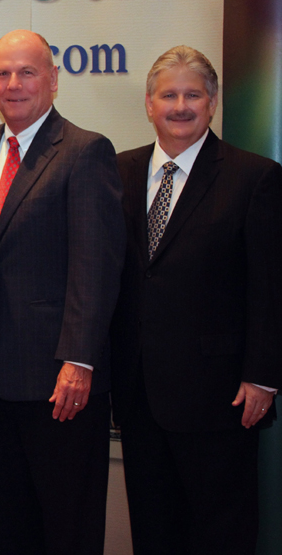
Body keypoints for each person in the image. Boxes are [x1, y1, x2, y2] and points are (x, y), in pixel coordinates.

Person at [110, 45, 282, 554]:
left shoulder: (254, 177)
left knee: (219, 532)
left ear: (212, 103)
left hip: (221, 396)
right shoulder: (118, 172)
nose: (180, 106)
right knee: (153, 528)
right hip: (139, 394)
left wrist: (263, 377)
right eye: (169, 95)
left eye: (193, 95)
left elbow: (270, 288)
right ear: (148, 103)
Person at [0, 29, 125, 555]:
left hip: (59, 384)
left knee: (66, 527)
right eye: (2, 74)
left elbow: (95, 267)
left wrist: (79, 360)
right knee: (6, 525)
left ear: (53, 81)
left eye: (27, 72)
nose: (13, 84)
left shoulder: (85, 151)